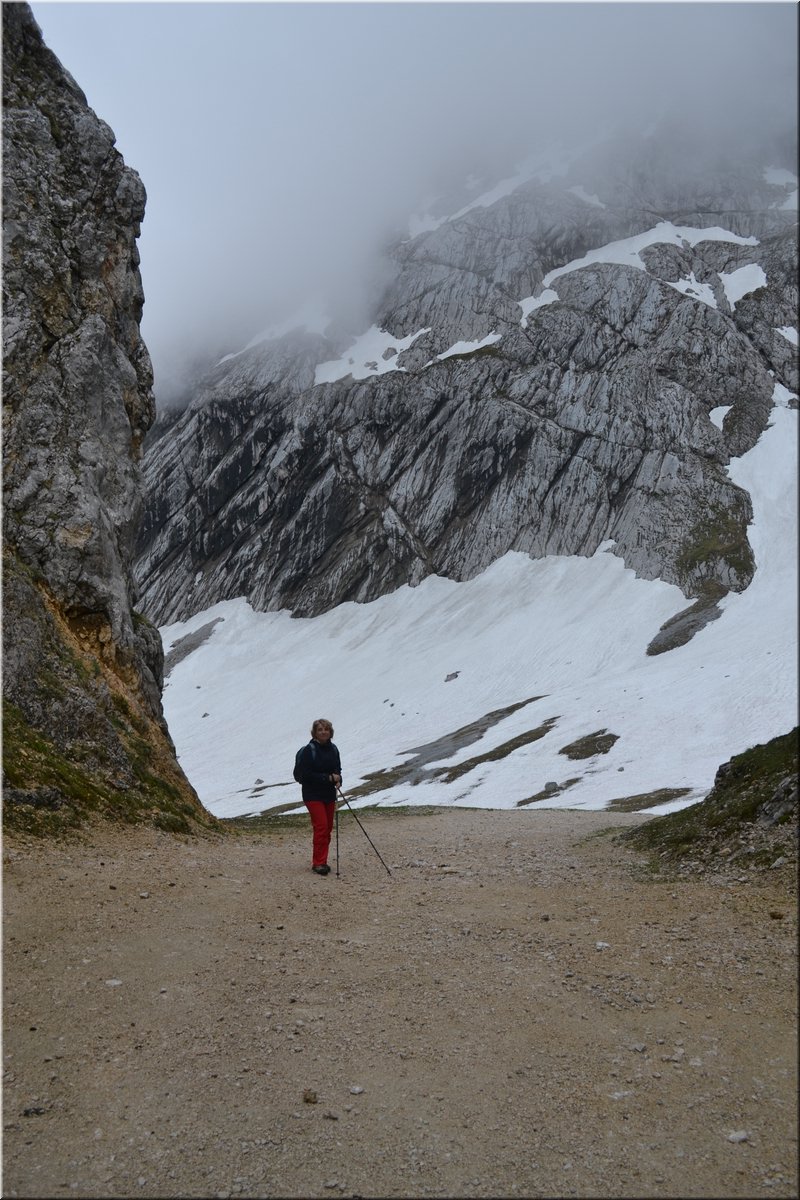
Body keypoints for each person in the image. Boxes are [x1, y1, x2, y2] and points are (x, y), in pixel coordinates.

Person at [293, 718, 342, 875]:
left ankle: (322, 860)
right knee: (321, 827)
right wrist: (328, 779)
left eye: (326, 729)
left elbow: (337, 769)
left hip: (328, 794)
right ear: (314, 733)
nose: (323, 732)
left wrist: (339, 780)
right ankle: (318, 863)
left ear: (330, 732)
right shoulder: (309, 750)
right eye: (320, 729)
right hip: (312, 794)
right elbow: (306, 775)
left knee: (326, 829)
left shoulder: (333, 749)